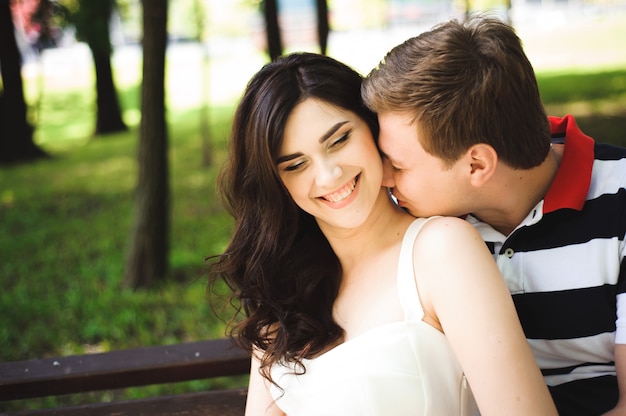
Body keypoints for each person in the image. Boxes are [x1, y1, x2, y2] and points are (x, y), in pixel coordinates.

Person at [208, 51, 557, 415]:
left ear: (373, 129)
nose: (329, 176)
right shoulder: (282, 293)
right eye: (296, 165)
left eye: (339, 140)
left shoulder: (440, 250)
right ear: (276, 183)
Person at [361, 15, 626, 416]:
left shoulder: (619, 202)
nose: (383, 177)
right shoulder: (420, 220)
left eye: (398, 164)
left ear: (476, 165)